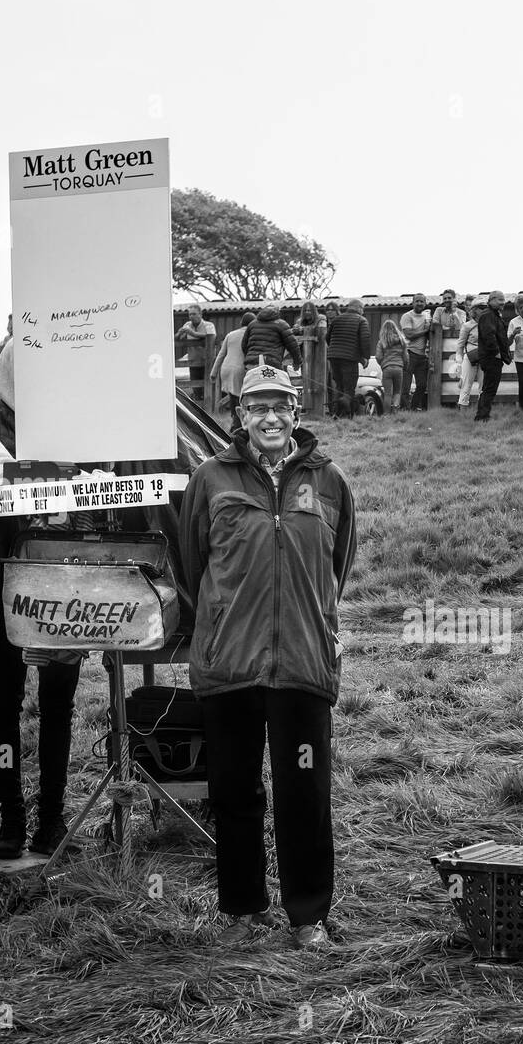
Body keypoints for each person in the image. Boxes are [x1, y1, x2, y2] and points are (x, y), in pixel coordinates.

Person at [179, 361, 357, 948]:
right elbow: (192, 565)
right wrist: (226, 619)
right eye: (257, 407)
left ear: (296, 413)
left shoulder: (329, 482)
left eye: (280, 405)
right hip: (230, 660)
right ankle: (242, 909)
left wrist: (312, 620)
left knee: (304, 792)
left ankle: (307, 916)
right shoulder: (211, 479)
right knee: (233, 790)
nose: (270, 416)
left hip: (303, 663)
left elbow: (338, 567)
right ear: (240, 417)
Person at [0, 341, 83, 858]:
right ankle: (11, 818)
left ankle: (50, 818)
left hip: (58, 581)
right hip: (1, 582)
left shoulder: (75, 430)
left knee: (56, 705)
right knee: (3, 706)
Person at [326, 298, 371, 419]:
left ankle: (336, 414)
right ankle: (346, 415)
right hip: (349, 359)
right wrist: (365, 357)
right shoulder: (361, 320)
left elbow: (327, 337)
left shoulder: (336, 319)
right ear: (360, 309)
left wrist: (335, 349)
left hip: (333, 357)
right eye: (363, 309)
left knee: (339, 386)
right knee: (349, 387)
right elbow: (365, 340)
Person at [211, 311, 255, 428]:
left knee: (233, 397)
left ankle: (236, 422)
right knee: (242, 397)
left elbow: (221, 354)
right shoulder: (252, 334)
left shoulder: (231, 334)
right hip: (240, 368)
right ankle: (237, 424)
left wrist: (214, 372)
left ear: (241, 322)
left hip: (226, 368)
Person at [474, 290, 511, 423]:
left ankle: (483, 415)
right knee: (489, 389)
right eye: (500, 300)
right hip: (491, 358)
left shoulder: (494, 315)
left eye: (503, 300)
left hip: (492, 357)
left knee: (488, 388)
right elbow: (489, 336)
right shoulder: (488, 315)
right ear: (491, 300)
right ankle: (482, 417)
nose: (503, 302)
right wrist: (497, 353)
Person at [174, 305, 217, 405]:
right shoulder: (187, 325)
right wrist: (180, 333)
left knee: (208, 387)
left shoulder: (209, 325)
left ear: (200, 314)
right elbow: (177, 338)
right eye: (190, 314)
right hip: (193, 360)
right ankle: (199, 408)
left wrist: (192, 333)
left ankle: (209, 408)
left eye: (194, 314)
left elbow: (210, 336)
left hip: (208, 362)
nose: (191, 316)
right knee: (196, 388)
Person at [241, 302, 301, 373]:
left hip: (252, 364)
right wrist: (297, 362)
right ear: (277, 312)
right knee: (274, 384)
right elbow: (293, 346)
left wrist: (250, 357)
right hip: (271, 363)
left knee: (251, 383)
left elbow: (244, 345)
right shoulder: (281, 324)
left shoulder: (252, 324)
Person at [292, 301, 328, 413]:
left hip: (319, 357)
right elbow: (295, 334)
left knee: (319, 382)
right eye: (305, 310)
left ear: (314, 311)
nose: (308, 312)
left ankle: (320, 408)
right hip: (305, 356)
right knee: (306, 381)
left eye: (310, 310)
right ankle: (307, 407)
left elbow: (322, 333)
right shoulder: (299, 322)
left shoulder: (321, 320)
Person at [399, 293, 431, 411]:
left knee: (422, 385)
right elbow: (409, 335)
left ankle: (413, 408)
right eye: (417, 301)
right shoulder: (407, 316)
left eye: (421, 301)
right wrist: (425, 331)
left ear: (425, 303)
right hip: (409, 354)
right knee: (405, 387)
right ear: (412, 303)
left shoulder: (426, 317)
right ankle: (404, 410)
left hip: (422, 356)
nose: (419, 303)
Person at [454, 298, 485, 415]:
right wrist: (459, 362)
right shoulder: (467, 325)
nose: (483, 310)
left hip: (485, 358)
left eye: (484, 308)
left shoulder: (488, 324)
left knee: (483, 387)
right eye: (481, 308)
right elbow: (460, 345)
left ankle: (482, 413)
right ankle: (462, 416)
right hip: (470, 358)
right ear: (474, 310)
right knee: (466, 386)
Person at [375, 318, 409, 413]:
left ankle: (386, 414)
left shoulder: (381, 342)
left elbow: (378, 356)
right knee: (397, 392)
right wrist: (405, 367)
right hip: (399, 369)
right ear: (395, 329)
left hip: (387, 369)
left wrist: (383, 365)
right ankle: (395, 412)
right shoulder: (402, 341)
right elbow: (406, 357)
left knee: (388, 394)